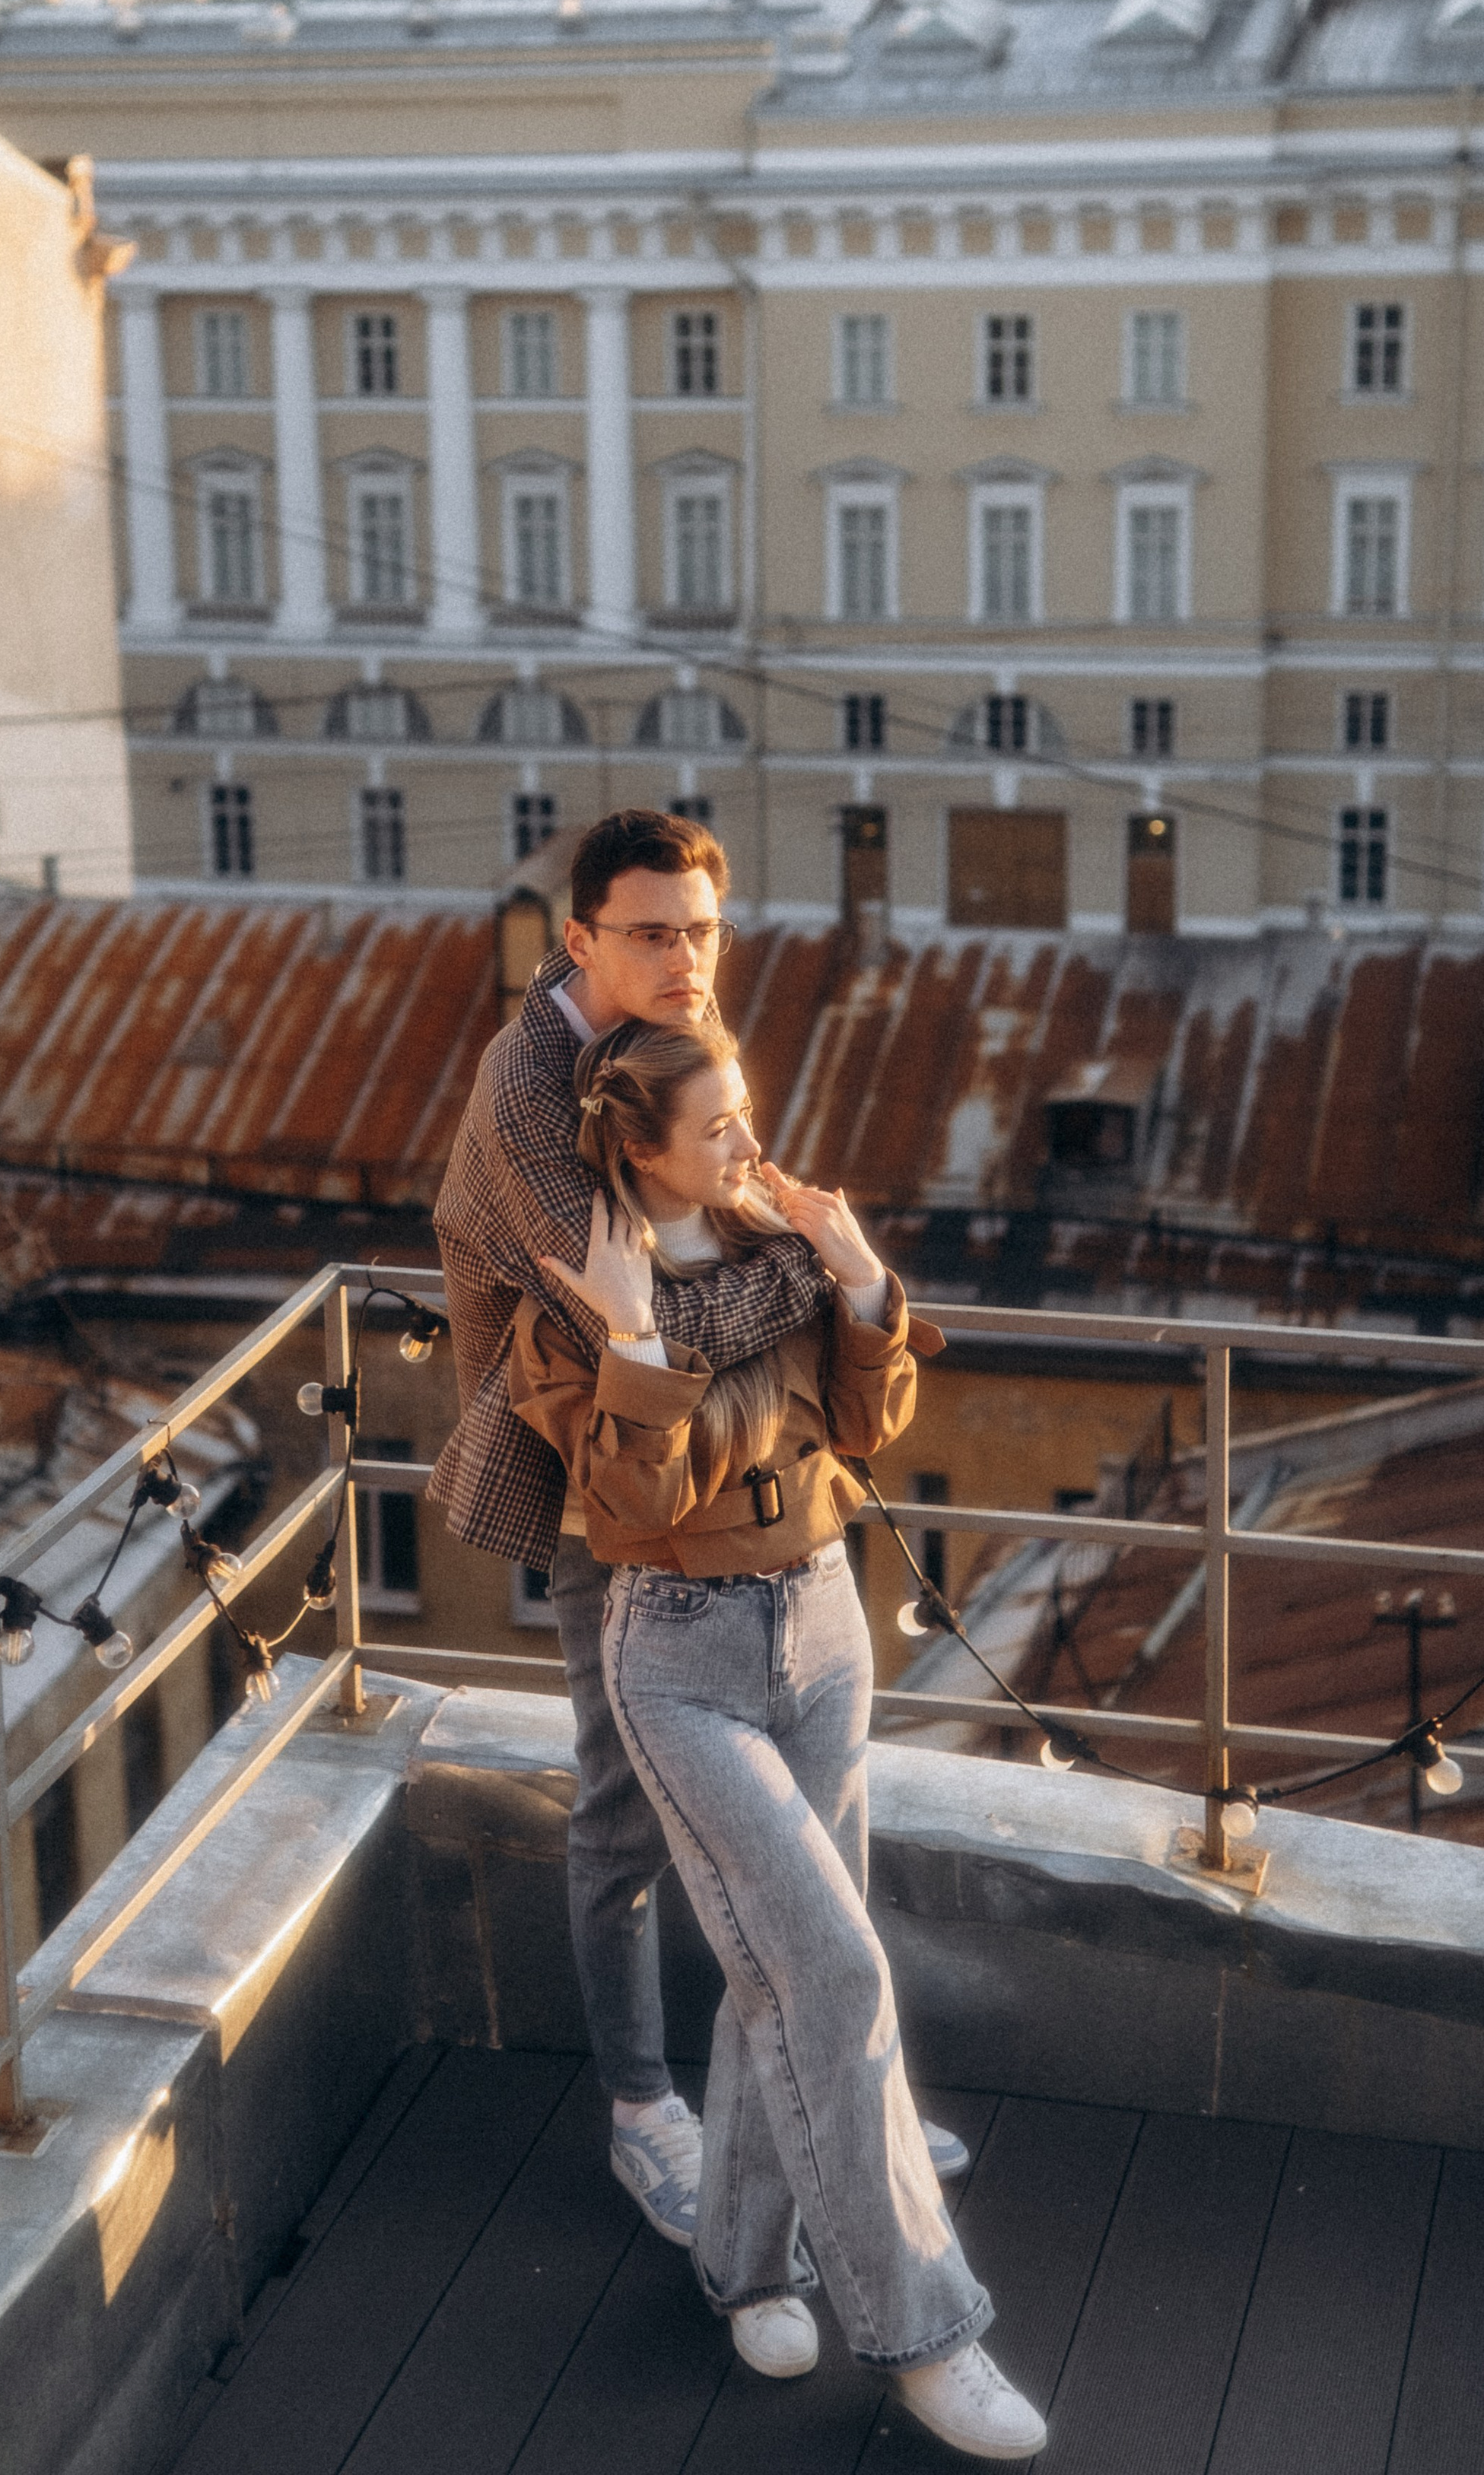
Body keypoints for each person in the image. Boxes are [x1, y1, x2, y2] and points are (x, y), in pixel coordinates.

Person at [426, 810, 964, 2262]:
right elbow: (632, 1329)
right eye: (655, 933)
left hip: (728, 1465)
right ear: (580, 937)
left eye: (704, 932)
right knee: (616, 1803)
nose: (687, 960)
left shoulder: (673, 1020)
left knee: (789, 1819)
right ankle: (643, 2107)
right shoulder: (528, 1088)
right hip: (588, 1464)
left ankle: (824, 2105)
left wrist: (784, 1269)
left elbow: (723, 1237)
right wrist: (802, 1274)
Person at [507, 1016, 1048, 2462]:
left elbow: (866, 1428)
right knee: (830, 1966)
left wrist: (864, 1278)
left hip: (824, 1628)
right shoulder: (569, 1301)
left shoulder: (775, 1250)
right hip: (679, 1656)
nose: (752, 1146)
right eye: (722, 1128)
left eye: (748, 1115)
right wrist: (632, 1339)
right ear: (638, 1149)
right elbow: (629, 1512)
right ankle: (931, 2336)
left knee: (773, 1981)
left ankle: (745, 2270)